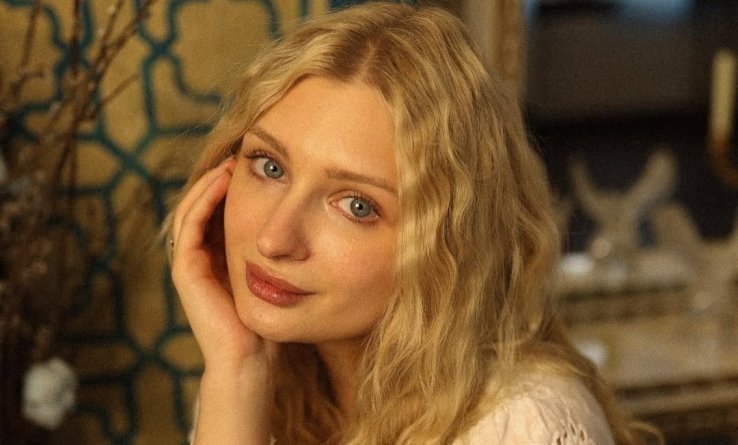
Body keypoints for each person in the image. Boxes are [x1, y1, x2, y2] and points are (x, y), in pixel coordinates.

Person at [167, 3, 657, 444]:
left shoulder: (525, 426)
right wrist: (238, 371)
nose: (274, 238)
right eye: (270, 167)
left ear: (445, 242)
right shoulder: (261, 379)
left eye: (356, 206)